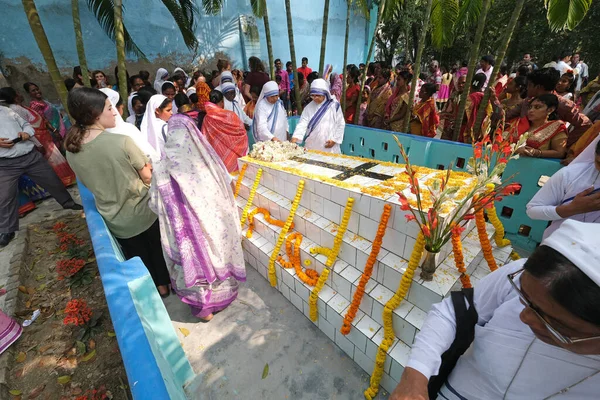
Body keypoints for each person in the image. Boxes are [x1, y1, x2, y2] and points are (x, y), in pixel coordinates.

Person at [390, 219, 600, 400]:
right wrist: (415, 374)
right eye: (524, 298)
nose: (524, 317)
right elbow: (451, 313)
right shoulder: (527, 276)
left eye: (554, 323)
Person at [64, 88, 170, 297]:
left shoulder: (71, 150)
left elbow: (88, 183)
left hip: (115, 220)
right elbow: (147, 176)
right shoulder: (121, 141)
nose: (115, 112)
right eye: (109, 108)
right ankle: (165, 284)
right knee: (157, 251)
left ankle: (156, 291)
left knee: (137, 256)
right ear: (95, 114)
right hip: (144, 212)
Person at [149, 113, 246, 321]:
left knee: (190, 266)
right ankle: (218, 302)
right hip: (211, 231)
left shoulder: (160, 167)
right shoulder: (205, 162)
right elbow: (226, 190)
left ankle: (203, 309)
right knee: (213, 260)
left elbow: (154, 204)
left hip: (182, 235)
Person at [0, 101, 81, 247]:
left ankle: (68, 203)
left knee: (52, 180)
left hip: (30, 155)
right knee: (5, 196)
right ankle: (7, 230)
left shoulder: (6, 111)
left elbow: (27, 125)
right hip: (6, 163)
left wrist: (26, 133)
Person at [0, 87, 76, 187]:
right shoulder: (15, 109)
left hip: (44, 137)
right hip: (39, 139)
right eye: (17, 92)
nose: (20, 94)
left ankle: (65, 182)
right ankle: (61, 183)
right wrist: (38, 144)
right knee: (52, 162)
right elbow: (25, 127)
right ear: (14, 96)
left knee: (56, 159)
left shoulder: (19, 107)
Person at [527, 140, 600, 240]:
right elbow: (533, 210)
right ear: (594, 154)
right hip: (557, 247)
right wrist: (572, 208)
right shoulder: (571, 174)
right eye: (599, 163)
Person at [505, 68, 592, 148]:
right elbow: (506, 116)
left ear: (538, 87)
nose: (527, 88)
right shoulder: (527, 101)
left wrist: (566, 145)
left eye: (529, 85)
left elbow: (585, 124)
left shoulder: (563, 105)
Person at [291, 78, 344, 153]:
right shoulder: (308, 108)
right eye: (313, 96)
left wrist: (334, 140)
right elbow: (303, 123)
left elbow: (340, 124)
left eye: (318, 95)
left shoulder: (334, 105)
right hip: (312, 145)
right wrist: (296, 136)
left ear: (325, 93)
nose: (315, 98)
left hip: (329, 145)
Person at [200, 90, 248, 172]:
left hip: (217, 159)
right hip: (234, 157)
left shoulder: (207, 118)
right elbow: (242, 133)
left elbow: (204, 139)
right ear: (222, 102)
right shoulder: (231, 115)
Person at [509, 94, 568, 159]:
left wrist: (537, 152)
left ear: (550, 110)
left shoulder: (556, 126)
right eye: (530, 107)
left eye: (537, 107)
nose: (531, 110)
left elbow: (560, 153)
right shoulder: (520, 123)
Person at [24, 82, 68, 147]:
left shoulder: (43, 100)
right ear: (29, 93)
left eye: (37, 89)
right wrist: (55, 131)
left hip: (60, 126)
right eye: (33, 91)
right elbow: (44, 120)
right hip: (53, 132)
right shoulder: (35, 105)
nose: (37, 91)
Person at [458, 73, 489, 143]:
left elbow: (462, 116)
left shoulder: (469, 98)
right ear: (483, 85)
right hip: (478, 130)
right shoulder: (484, 97)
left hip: (464, 129)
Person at [440, 75, 467, 141]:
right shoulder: (454, 95)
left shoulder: (469, 97)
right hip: (450, 125)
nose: (460, 85)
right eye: (459, 83)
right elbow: (447, 109)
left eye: (463, 83)